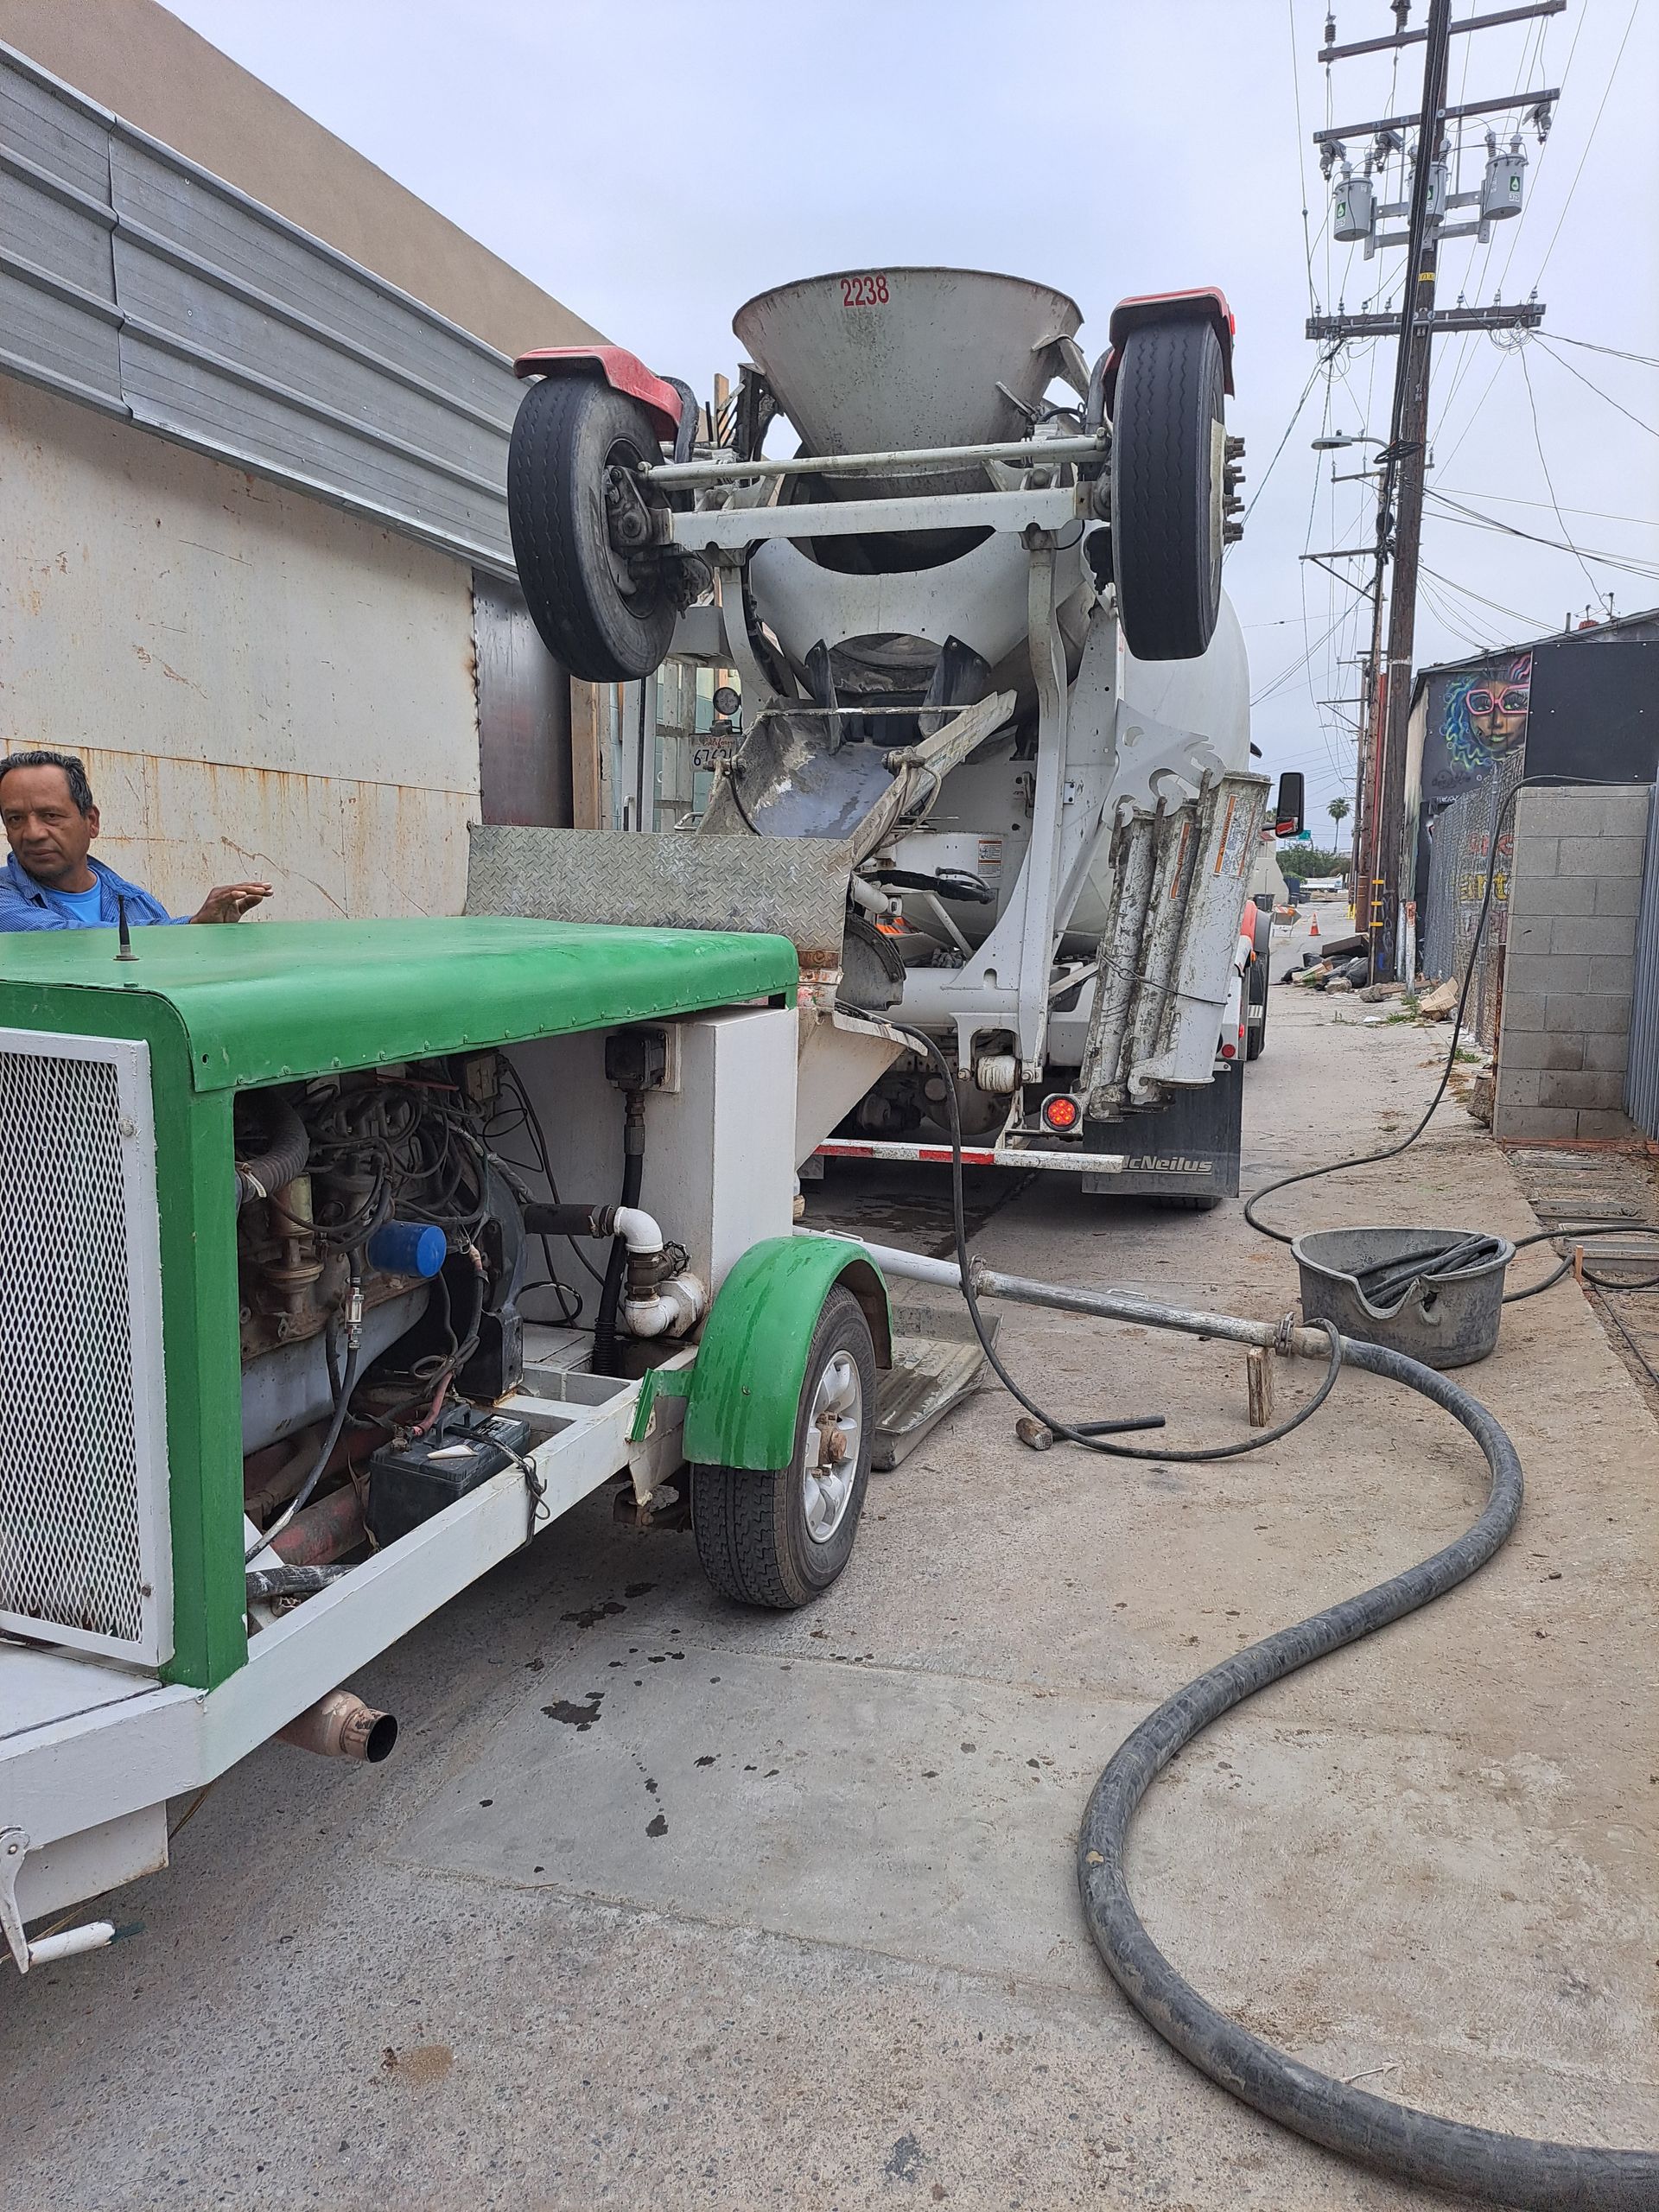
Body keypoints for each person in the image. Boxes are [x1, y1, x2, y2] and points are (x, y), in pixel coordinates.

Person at [0, 749, 271, 931]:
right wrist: (189, 929)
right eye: (15, 819)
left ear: (91, 822)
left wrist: (208, 937)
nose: (33, 833)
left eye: (50, 815)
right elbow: (54, 938)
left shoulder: (136, 901)